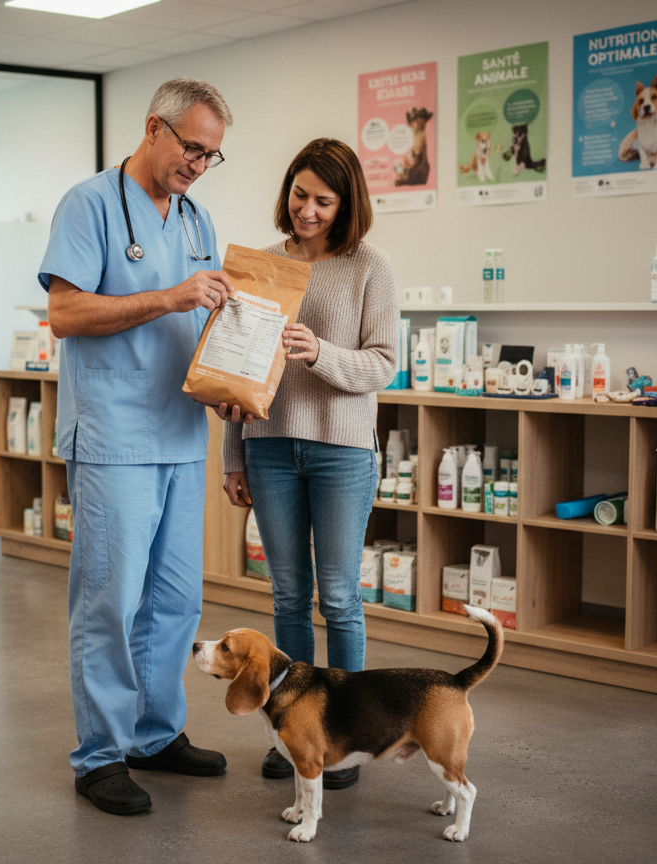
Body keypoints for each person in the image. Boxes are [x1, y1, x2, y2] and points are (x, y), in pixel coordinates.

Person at [40, 78, 238, 817]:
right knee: (111, 600)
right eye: (192, 148)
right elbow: (63, 311)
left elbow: (206, 322)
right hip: (115, 434)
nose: (198, 164)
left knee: (175, 601)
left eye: (212, 156)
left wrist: (230, 380)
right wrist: (168, 297)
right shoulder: (89, 204)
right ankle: (100, 755)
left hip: (183, 433)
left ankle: (157, 735)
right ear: (154, 128)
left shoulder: (196, 217)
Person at [220, 138, 398, 789]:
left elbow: (383, 362)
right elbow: (234, 372)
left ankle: (346, 738)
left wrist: (319, 351)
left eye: (324, 200)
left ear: (346, 203)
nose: (309, 210)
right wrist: (233, 456)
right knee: (289, 595)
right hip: (268, 448)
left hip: (342, 452)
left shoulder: (368, 267)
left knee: (341, 596)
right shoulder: (260, 267)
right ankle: (297, 733)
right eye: (300, 195)